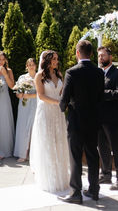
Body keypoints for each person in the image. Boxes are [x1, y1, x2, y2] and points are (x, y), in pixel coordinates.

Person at [59, 40, 104, 204]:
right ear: (91, 54)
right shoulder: (99, 73)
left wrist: (62, 107)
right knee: (92, 155)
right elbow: (101, 97)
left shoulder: (72, 72)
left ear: (78, 53)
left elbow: (64, 97)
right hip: (93, 121)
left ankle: (76, 193)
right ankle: (94, 190)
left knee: (75, 156)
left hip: (76, 121)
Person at [30, 50, 70, 193]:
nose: (56, 61)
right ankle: (49, 180)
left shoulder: (59, 74)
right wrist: (58, 103)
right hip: (46, 112)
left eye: (57, 59)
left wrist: (65, 101)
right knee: (47, 143)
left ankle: (61, 178)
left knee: (59, 142)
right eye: (53, 59)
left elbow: (62, 92)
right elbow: (41, 96)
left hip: (58, 113)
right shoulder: (39, 76)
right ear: (46, 60)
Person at [97, 46, 118, 190]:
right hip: (99, 118)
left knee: (117, 149)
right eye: (99, 56)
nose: (100, 58)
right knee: (102, 148)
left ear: (110, 57)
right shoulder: (97, 74)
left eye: (103, 56)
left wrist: (102, 93)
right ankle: (106, 175)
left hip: (113, 119)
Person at [14, 58, 37, 162]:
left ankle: (34, 154)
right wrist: (21, 95)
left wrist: (29, 95)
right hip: (24, 106)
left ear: (36, 66)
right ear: (26, 66)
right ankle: (23, 153)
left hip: (36, 104)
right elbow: (18, 94)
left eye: (33, 64)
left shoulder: (39, 76)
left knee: (34, 128)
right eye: (29, 65)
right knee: (23, 128)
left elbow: (41, 93)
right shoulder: (22, 77)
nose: (31, 66)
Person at [0, 51, 14, 159]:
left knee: (4, 123)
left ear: (5, 60)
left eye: (2, 59)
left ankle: (4, 150)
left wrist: (5, 74)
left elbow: (12, 86)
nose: (1, 61)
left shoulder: (8, 71)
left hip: (4, 101)